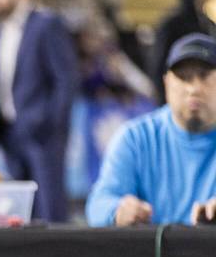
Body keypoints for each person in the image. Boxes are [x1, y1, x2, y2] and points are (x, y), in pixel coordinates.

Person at [0, 0, 78, 222]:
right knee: (22, 211)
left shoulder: (46, 25)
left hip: (42, 131)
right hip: (11, 130)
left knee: (50, 206)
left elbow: (66, 78)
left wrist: (52, 122)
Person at [87, 33, 216, 227]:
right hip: (150, 256)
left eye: (204, 76)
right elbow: (97, 205)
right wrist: (117, 211)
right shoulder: (135, 138)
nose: (193, 88)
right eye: (183, 77)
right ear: (166, 83)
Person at [151, 0, 214, 104]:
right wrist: (165, 101)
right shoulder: (172, 25)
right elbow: (158, 66)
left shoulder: (208, 23)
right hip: (180, 102)